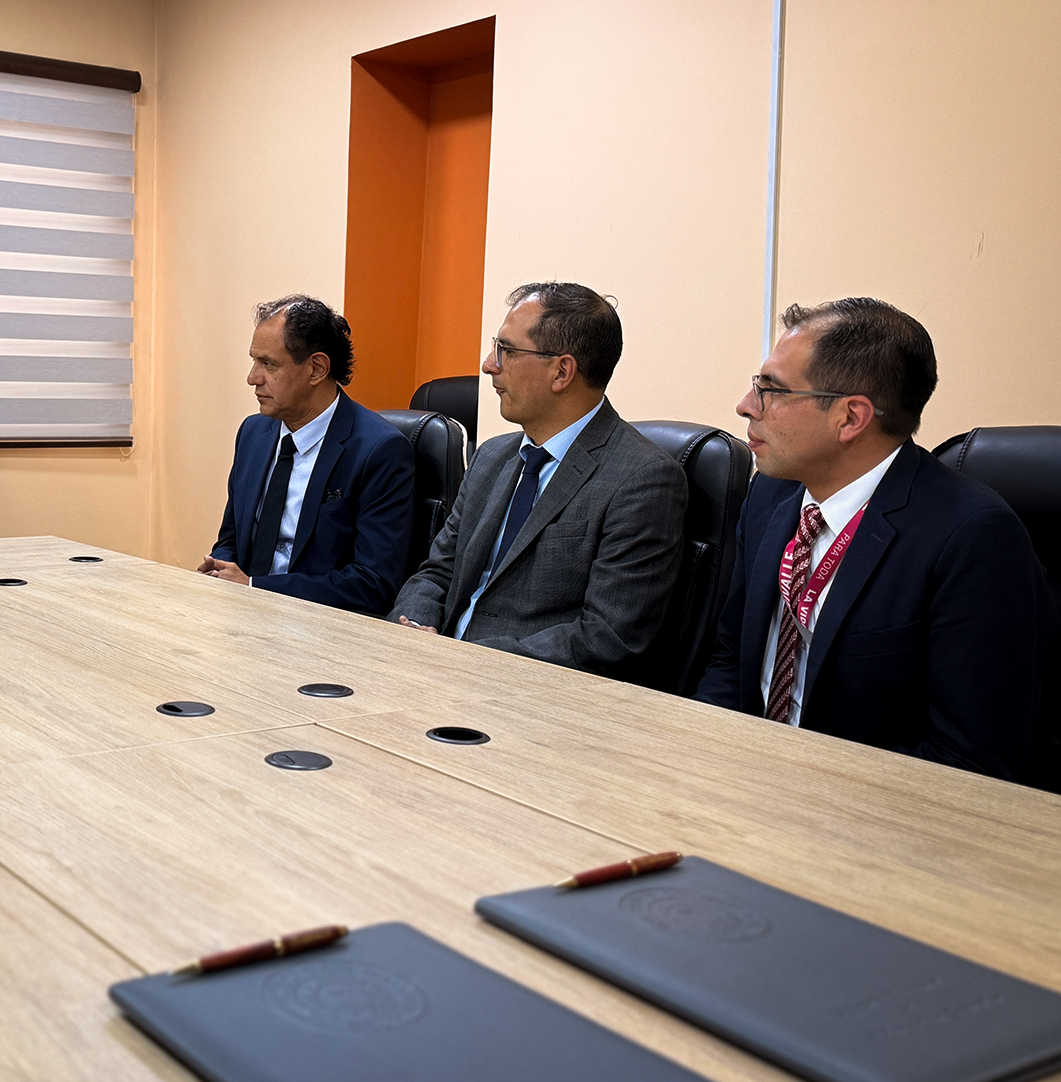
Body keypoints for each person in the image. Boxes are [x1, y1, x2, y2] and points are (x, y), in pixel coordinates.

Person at [694, 298, 1048, 781]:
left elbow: (969, 762)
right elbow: (732, 660)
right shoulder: (772, 493)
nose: (746, 406)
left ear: (851, 417)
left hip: (867, 804)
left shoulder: (973, 538)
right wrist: (699, 753)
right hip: (742, 778)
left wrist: (800, 787)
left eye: (771, 390)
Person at [388, 282, 687, 678]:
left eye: (507, 351)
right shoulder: (492, 456)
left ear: (562, 371)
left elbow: (607, 637)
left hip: (526, 692)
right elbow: (437, 572)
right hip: (432, 669)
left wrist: (462, 660)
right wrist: (414, 626)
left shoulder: (642, 479)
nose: (488, 365)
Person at [199, 295, 414, 614]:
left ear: (316, 369)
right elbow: (231, 540)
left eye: (268, 364)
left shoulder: (379, 450)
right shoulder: (253, 433)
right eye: (254, 361)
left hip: (320, 625)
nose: (252, 378)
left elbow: (373, 584)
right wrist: (219, 570)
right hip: (240, 613)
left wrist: (255, 588)